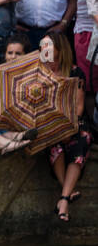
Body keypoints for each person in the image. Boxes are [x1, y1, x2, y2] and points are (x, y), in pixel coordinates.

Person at [35, 32, 90, 221]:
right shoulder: (37, 72)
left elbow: (80, 107)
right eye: (42, 45)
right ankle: (67, 194)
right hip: (48, 122)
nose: (44, 48)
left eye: (48, 45)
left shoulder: (75, 72)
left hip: (73, 120)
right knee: (53, 142)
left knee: (81, 140)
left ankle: (63, 199)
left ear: (60, 48)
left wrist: (67, 127)